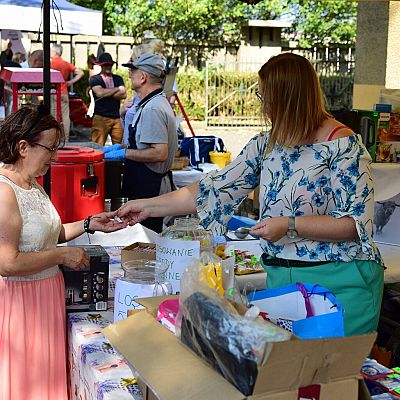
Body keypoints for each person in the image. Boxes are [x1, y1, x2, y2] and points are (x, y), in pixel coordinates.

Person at [117, 53, 384, 336]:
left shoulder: (343, 146)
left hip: (342, 283)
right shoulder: (267, 144)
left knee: (337, 376)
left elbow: (354, 225)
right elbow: (211, 189)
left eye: (266, 97)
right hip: (284, 282)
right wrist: (146, 206)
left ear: (288, 98)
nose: (263, 106)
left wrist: (290, 224)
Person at [0, 106, 127, 400]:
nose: (55, 157)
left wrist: (88, 223)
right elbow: (7, 263)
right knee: (26, 383)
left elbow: (50, 235)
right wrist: (62, 256)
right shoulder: (5, 192)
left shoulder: (33, 184)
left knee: (45, 379)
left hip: (46, 295)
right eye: (50, 148)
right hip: (22, 303)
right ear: (23, 147)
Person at [106, 53, 177, 233]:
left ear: (143, 77)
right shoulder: (150, 103)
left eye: (133, 71)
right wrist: (120, 148)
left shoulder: (153, 107)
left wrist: (124, 154)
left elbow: (159, 153)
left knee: (145, 242)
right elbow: (144, 146)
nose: (129, 75)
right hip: (143, 185)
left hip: (149, 187)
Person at [89, 52, 126, 146]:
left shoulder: (118, 78)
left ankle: (117, 161)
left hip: (117, 117)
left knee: (119, 147)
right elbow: (99, 93)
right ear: (101, 65)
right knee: (97, 146)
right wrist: (117, 89)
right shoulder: (94, 79)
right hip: (101, 117)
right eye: (105, 65)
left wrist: (105, 93)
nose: (108, 67)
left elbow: (123, 94)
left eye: (110, 65)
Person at [51, 43, 84, 140]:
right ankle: (66, 139)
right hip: (64, 91)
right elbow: (81, 73)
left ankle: (54, 138)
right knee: (65, 116)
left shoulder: (51, 63)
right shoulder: (66, 63)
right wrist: (70, 82)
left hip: (53, 91)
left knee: (53, 115)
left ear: (53, 52)